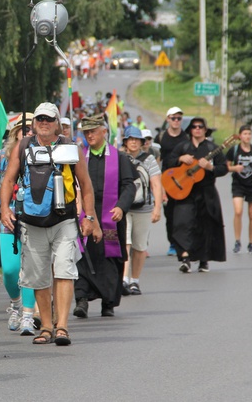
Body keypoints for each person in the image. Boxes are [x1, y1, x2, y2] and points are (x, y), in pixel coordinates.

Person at [0, 102, 102, 346]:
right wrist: (4, 208)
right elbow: (8, 179)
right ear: (34, 123)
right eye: (40, 119)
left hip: (64, 220)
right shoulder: (24, 146)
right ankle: (46, 326)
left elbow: (86, 185)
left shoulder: (69, 146)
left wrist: (89, 217)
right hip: (32, 222)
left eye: (49, 119)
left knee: (64, 270)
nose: (44, 123)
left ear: (57, 123)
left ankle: (62, 326)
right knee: (38, 276)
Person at [72, 115, 135, 318]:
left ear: (104, 131)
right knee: (82, 256)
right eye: (86, 132)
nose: (89, 135)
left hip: (111, 216)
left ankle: (108, 302)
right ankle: (81, 299)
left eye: (93, 131)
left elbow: (129, 185)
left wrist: (121, 207)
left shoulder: (120, 158)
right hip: (85, 214)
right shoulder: (79, 157)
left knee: (110, 259)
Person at [0, 115, 38, 335]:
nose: (27, 133)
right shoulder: (2, 157)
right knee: (10, 270)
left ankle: (28, 316)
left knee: (29, 269)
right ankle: (16, 304)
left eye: (31, 129)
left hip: (35, 218)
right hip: (8, 218)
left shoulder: (40, 153)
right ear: (15, 133)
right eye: (23, 129)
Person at [165, 117, 228, 273]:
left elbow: (223, 168)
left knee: (205, 225)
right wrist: (180, 158)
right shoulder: (183, 147)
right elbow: (168, 162)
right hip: (185, 192)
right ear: (190, 130)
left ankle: (204, 260)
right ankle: (185, 258)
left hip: (206, 192)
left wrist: (210, 168)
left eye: (200, 127)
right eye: (194, 127)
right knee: (182, 223)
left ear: (205, 130)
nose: (197, 129)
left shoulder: (213, 149)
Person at [121, 127, 161, 295]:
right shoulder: (120, 157)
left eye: (137, 139)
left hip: (144, 208)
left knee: (139, 245)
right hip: (124, 207)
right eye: (130, 139)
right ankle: (123, 279)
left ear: (142, 142)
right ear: (125, 141)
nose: (133, 142)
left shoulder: (149, 159)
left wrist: (157, 207)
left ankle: (135, 280)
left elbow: (156, 184)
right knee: (125, 242)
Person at [226, 125, 252, 254]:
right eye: (245, 134)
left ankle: (251, 243)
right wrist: (234, 168)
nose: (247, 136)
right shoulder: (234, 150)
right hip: (238, 184)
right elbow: (226, 166)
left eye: (249, 134)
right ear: (240, 135)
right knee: (238, 211)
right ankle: (237, 240)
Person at [158, 106, 188, 256]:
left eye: (179, 118)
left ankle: (182, 242)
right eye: (173, 118)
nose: (176, 121)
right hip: (166, 180)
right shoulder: (162, 137)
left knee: (183, 213)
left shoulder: (187, 137)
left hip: (183, 180)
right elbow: (157, 160)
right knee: (169, 214)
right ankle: (172, 243)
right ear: (168, 119)